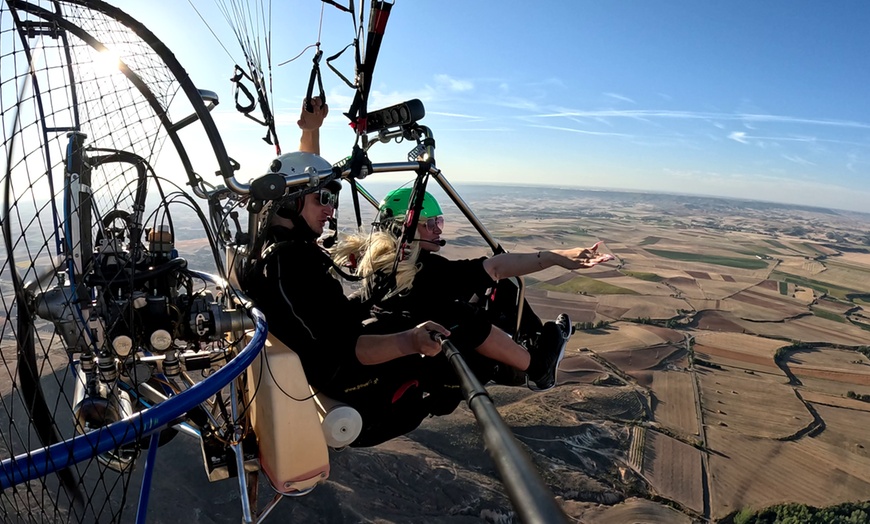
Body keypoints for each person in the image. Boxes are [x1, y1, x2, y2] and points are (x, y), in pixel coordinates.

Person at [244, 98, 458, 447]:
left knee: (394, 302)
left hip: (327, 358)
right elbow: (341, 351)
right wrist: (410, 340)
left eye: (331, 199)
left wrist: (310, 131)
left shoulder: (273, 243)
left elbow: (302, 180)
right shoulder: (291, 264)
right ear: (290, 202)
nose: (330, 210)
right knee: (438, 322)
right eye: (322, 200)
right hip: (347, 383)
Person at [333, 187, 615, 392]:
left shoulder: (379, 265)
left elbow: (490, 272)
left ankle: (537, 340)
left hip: (413, 339)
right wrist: (555, 257)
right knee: (465, 312)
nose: (437, 230)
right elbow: (494, 267)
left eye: (439, 222)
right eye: (430, 224)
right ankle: (537, 367)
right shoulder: (426, 272)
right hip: (437, 357)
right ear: (403, 230)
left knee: (499, 288)